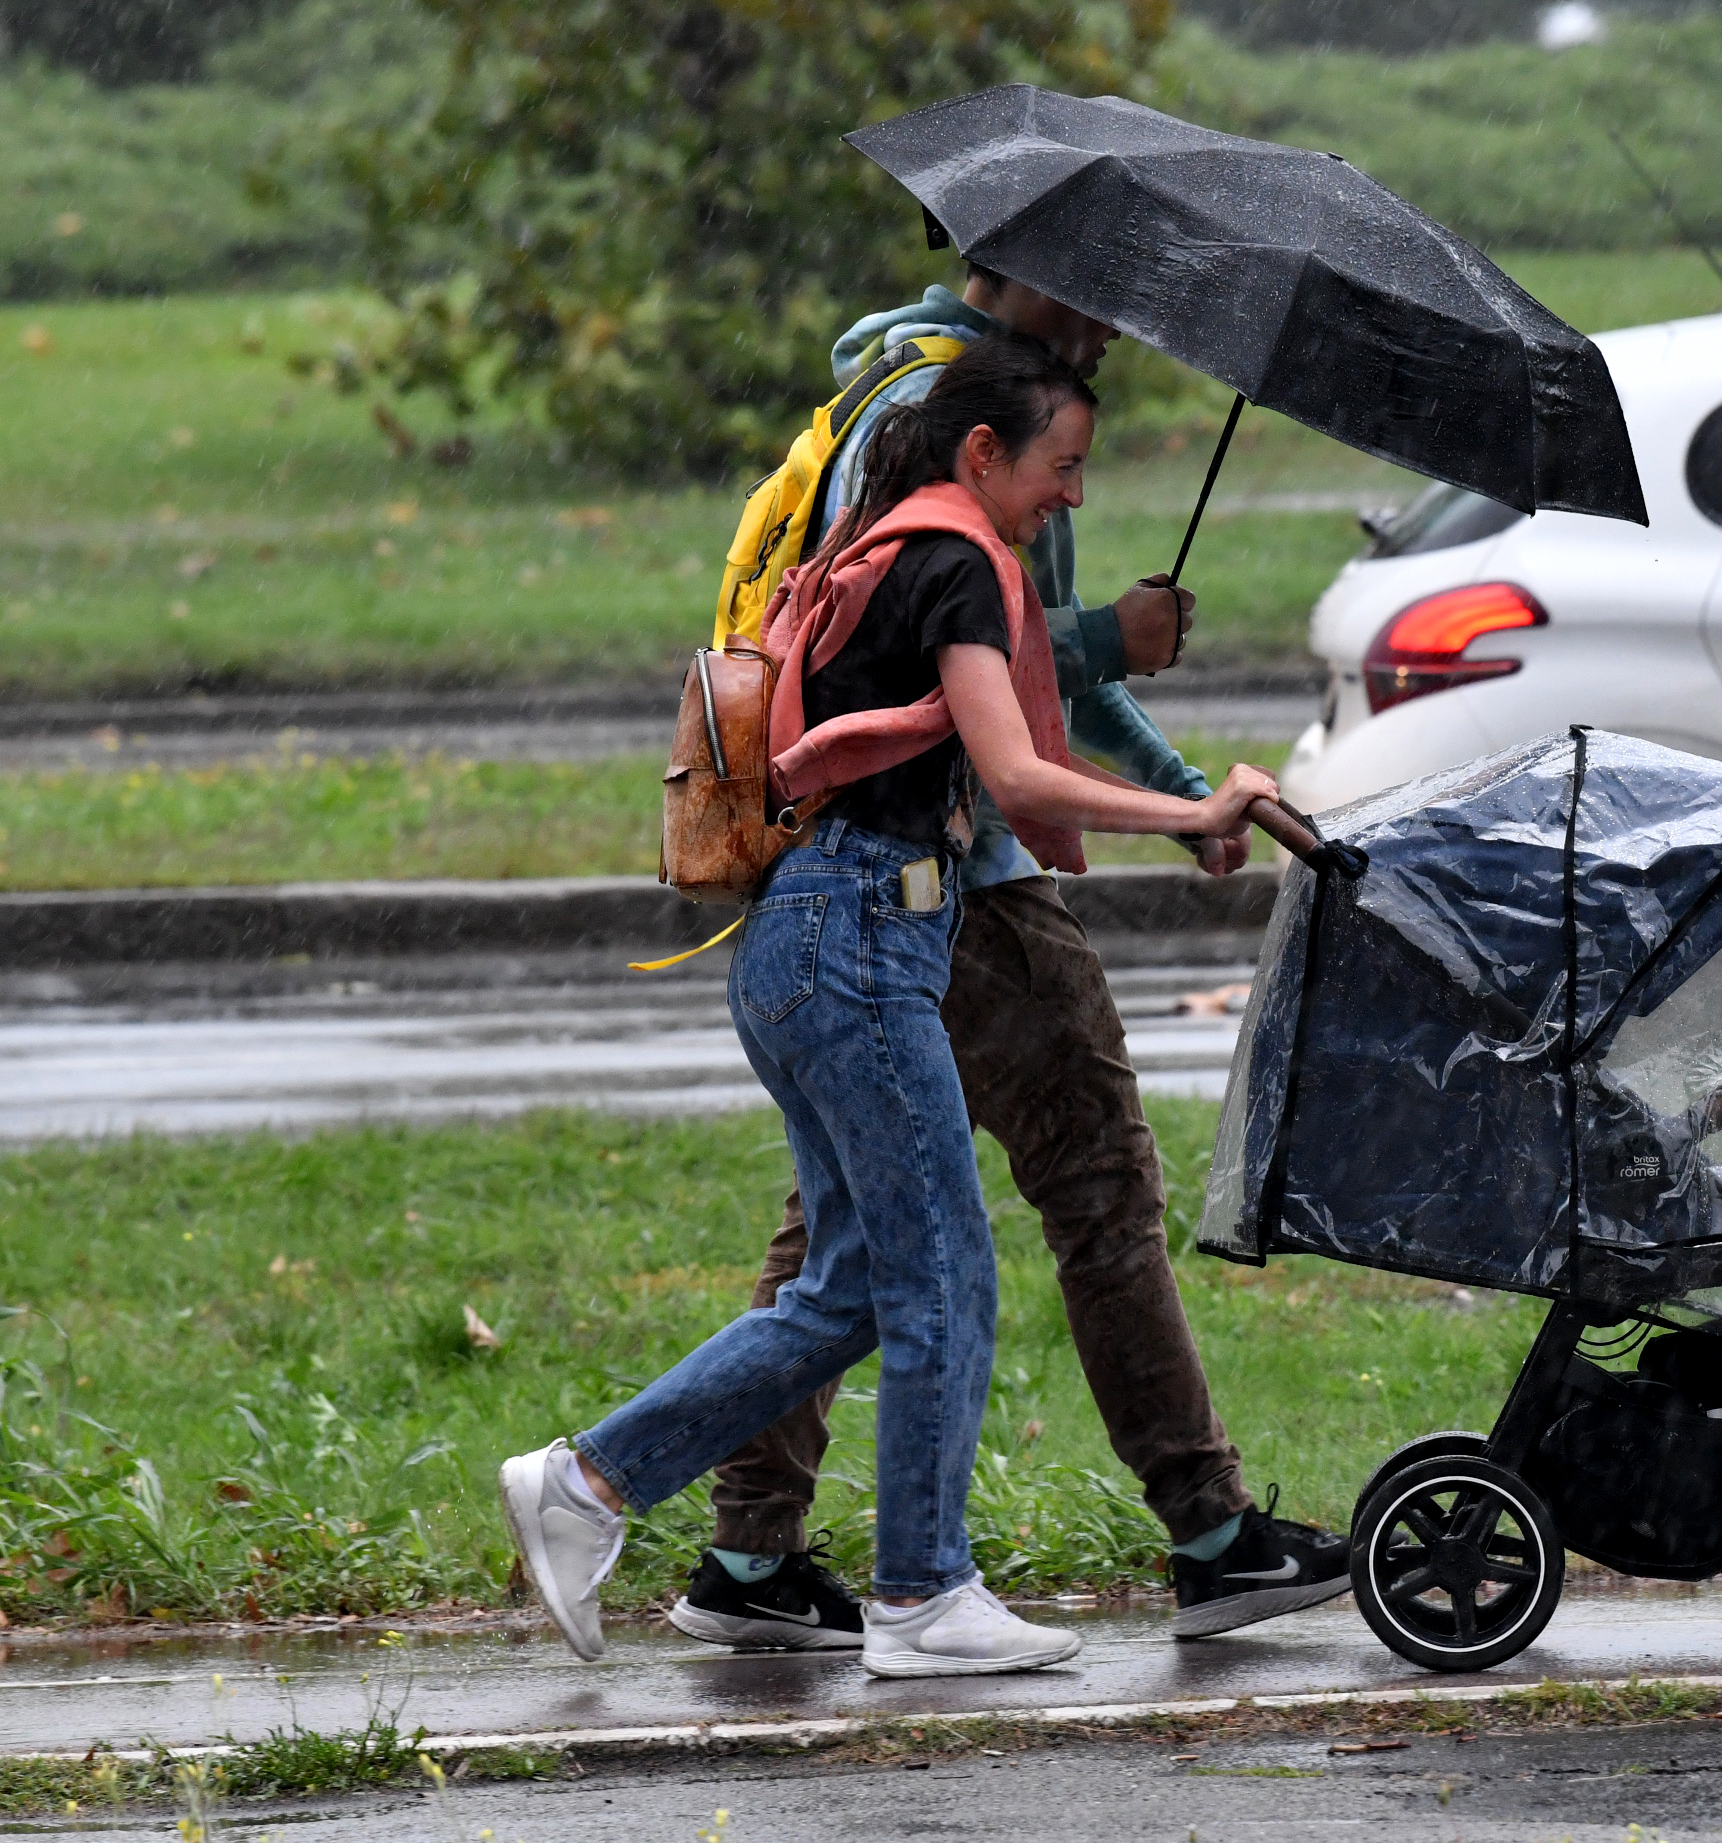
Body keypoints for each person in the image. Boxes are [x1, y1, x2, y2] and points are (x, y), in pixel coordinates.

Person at [501, 341, 1282, 1678]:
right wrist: (1190, 812)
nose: (1074, 497)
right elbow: (1019, 778)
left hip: (814, 940)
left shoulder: (886, 542)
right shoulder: (962, 558)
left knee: (854, 1282)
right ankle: (921, 1595)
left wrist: (1177, 802)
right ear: (986, 454)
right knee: (940, 1277)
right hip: (861, 937)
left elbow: (1003, 744)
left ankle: (586, 1488)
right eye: (1064, 464)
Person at [665, 266, 1351, 1657]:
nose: (1105, 327)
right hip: (945, 870)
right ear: (1016, 267)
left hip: (915, 864)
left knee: (841, 1233)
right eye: (1090, 303)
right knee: (1092, 1179)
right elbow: (915, 651)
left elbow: (1044, 682)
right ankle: (1204, 1535)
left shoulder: (949, 391)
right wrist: (1120, 650)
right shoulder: (944, 413)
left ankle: (747, 1554)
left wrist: (1171, 790)